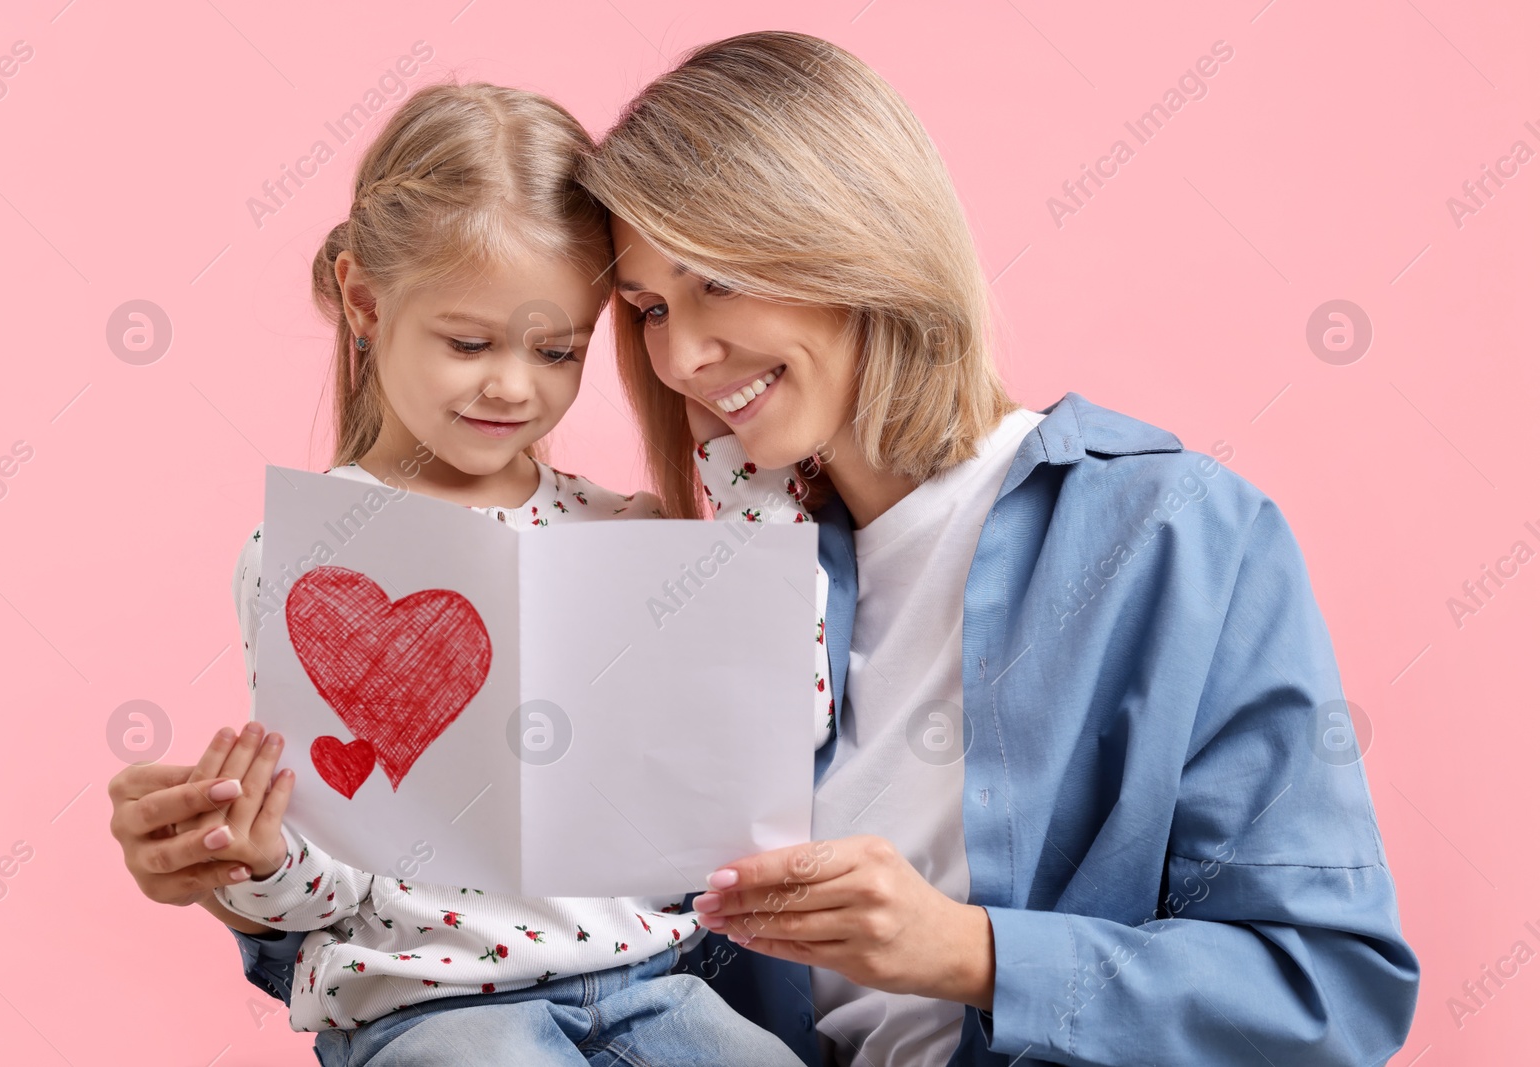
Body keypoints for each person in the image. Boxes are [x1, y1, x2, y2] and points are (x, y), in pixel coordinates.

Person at [121, 31, 1421, 1067]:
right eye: (644, 308)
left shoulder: (1174, 537)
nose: (680, 357)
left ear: (849, 244)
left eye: (717, 284)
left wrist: (970, 950)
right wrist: (228, 876)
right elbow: (480, 918)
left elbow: (1333, 990)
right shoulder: (699, 567)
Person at [109, 78, 830, 1067]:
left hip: (652, 982)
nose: (512, 384)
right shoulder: (307, 557)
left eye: (557, 350)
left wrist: (745, 480)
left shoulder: (627, 533)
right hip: (436, 1011)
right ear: (366, 301)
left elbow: (780, 738)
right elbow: (334, 881)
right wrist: (256, 857)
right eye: (468, 342)